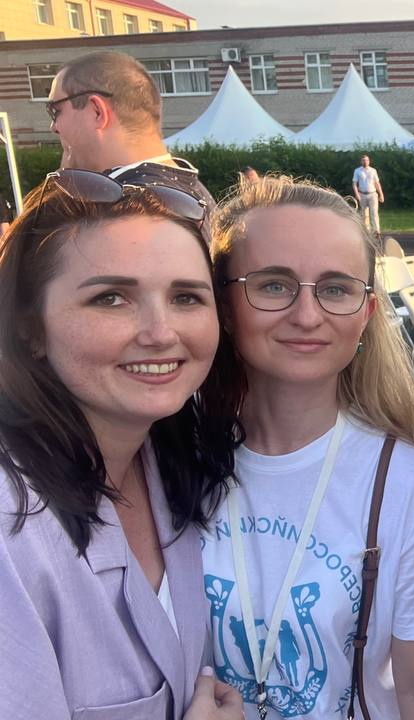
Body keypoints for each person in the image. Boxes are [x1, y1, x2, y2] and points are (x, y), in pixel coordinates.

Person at [203, 177, 414, 719]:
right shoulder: (177, 464)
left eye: (336, 289)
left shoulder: (404, 482)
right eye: (273, 285)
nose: (307, 315)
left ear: (366, 313)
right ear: (225, 306)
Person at [0, 171, 243, 720]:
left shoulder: (175, 464)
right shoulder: (12, 526)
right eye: (111, 298)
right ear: (28, 328)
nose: (160, 332)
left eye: (186, 297)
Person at [46, 51, 216, 209]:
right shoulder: (192, 193)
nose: (53, 127)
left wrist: (59, 192)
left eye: (55, 111)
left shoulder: (122, 209)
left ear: (97, 111)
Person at [351, 155, 384, 235]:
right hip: (362, 194)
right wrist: (357, 194)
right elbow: (354, 184)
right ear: (361, 161)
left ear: (369, 161)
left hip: (373, 194)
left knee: (374, 213)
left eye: (366, 160)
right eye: (363, 160)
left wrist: (381, 194)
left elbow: (377, 183)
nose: (365, 162)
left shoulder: (373, 170)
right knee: (363, 214)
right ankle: (366, 231)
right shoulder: (357, 171)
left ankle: (376, 231)